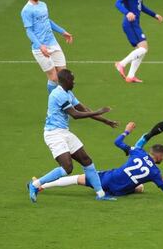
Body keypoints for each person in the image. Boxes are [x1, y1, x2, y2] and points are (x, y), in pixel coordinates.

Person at [27, 69, 119, 203]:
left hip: (64, 132)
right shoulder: (58, 94)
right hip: (53, 134)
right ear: (65, 81)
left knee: (86, 160)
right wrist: (98, 111)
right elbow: (75, 114)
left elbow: (84, 109)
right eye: (72, 80)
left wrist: (105, 120)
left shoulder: (68, 93)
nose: (74, 82)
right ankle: (34, 185)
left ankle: (100, 194)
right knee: (67, 168)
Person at [38, 122, 163, 198]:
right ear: (159, 156)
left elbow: (117, 143)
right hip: (119, 191)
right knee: (140, 187)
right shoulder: (155, 172)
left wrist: (126, 132)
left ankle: (42, 185)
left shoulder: (138, 152)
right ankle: (42, 185)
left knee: (76, 179)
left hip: (108, 179)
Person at [21, 0, 74, 93]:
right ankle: (53, 104)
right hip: (40, 48)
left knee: (64, 76)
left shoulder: (43, 5)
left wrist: (62, 32)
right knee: (54, 78)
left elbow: (47, 21)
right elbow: (29, 31)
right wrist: (40, 46)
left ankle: (65, 102)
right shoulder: (26, 10)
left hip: (53, 44)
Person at [114, 0, 163, 83]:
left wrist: (154, 15)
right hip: (130, 23)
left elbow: (141, 7)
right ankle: (121, 64)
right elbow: (117, 3)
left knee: (141, 49)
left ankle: (131, 76)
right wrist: (127, 12)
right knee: (143, 48)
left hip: (135, 23)